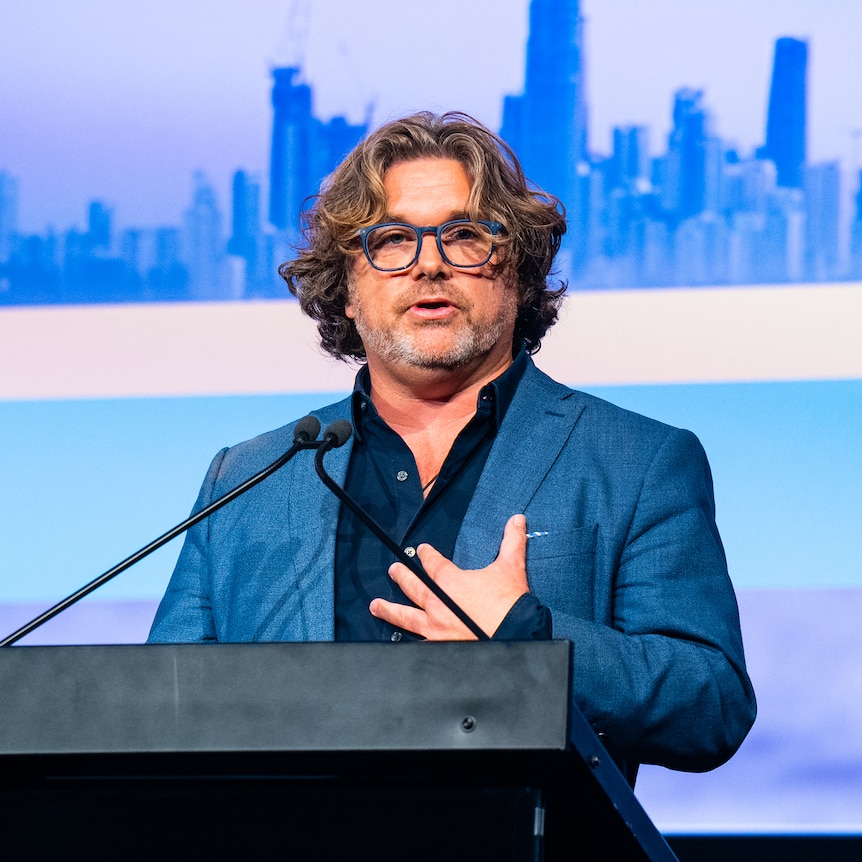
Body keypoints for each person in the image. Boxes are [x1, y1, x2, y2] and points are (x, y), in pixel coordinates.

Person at [149, 111, 755, 781]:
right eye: (391, 239)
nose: (429, 263)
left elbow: (713, 704)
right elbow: (159, 714)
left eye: (465, 236)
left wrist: (527, 636)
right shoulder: (249, 478)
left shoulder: (637, 461)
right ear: (348, 288)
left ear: (518, 275)